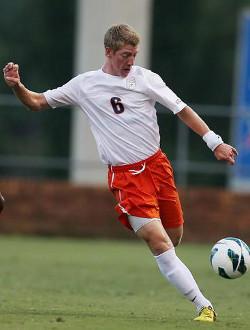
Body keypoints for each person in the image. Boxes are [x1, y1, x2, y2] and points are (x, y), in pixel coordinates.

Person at [3, 24, 237, 322]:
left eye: (134, 55)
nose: (130, 61)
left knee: (173, 237)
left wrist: (214, 142)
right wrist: (17, 86)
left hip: (158, 167)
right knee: (159, 241)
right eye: (125, 55)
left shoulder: (146, 79)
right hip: (126, 178)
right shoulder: (85, 85)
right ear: (109, 52)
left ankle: (180, 275)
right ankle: (204, 306)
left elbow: (183, 109)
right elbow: (36, 102)